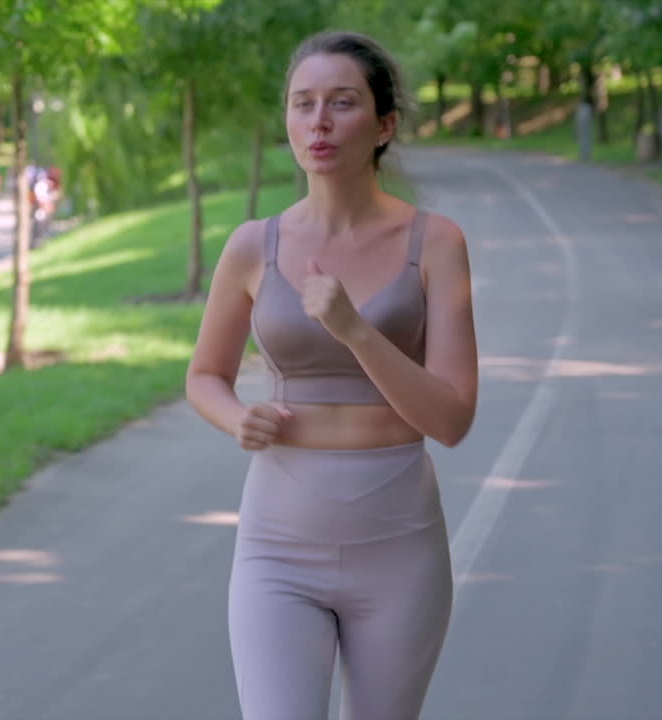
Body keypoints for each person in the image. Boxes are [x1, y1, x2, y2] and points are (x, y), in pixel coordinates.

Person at [185, 30, 478, 720]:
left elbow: (452, 420)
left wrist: (355, 331)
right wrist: (237, 418)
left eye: (342, 103)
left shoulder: (436, 242)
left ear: (384, 125)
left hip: (399, 548)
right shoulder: (253, 245)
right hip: (277, 549)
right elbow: (204, 375)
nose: (318, 121)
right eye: (303, 103)